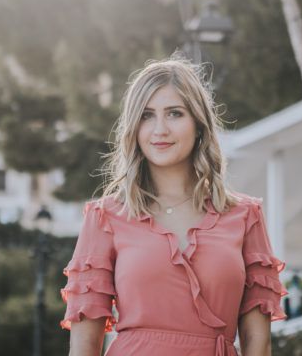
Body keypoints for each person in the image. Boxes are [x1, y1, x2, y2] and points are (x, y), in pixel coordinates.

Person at [60, 55, 287, 356]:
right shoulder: (106, 217)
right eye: (147, 115)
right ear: (134, 128)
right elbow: (83, 348)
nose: (160, 130)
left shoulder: (245, 216)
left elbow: (258, 344)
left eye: (175, 113)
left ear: (199, 124)